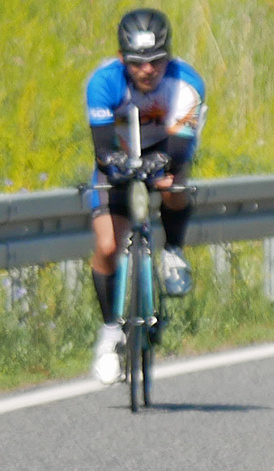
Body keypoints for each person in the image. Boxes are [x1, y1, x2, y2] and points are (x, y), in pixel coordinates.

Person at [84, 8, 206, 385]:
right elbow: (102, 149)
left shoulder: (187, 82)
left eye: (155, 61)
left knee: (174, 183)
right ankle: (109, 332)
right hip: (120, 158)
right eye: (138, 63)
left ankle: (172, 250)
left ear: (167, 56)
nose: (148, 70)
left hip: (167, 150)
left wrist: (161, 163)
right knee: (107, 247)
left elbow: (181, 147)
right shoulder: (103, 82)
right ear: (123, 59)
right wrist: (118, 162)